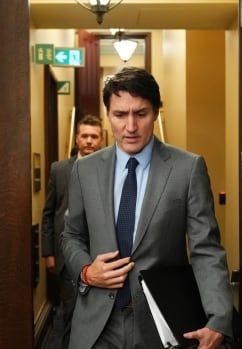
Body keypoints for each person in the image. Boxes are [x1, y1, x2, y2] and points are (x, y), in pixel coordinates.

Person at [62, 67, 232, 349]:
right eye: (120, 115)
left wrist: (219, 318)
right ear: (108, 114)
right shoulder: (84, 170)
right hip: (97, 325)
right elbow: (71, 236)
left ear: (155, 113)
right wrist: (86, 271)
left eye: (140, 114)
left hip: (161, 324)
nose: (130, 127)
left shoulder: (187, 169)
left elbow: (206, 249)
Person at [41, 114, 104, 349]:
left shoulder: (109, 168)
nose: (89, 141)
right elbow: (48, 213)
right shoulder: (59, 170)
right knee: (71, 314)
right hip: (67, 257)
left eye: (94, 136)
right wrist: (48, 252)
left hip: (100, 254)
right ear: (77, 139)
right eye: (84, 136)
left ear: (101, 140)